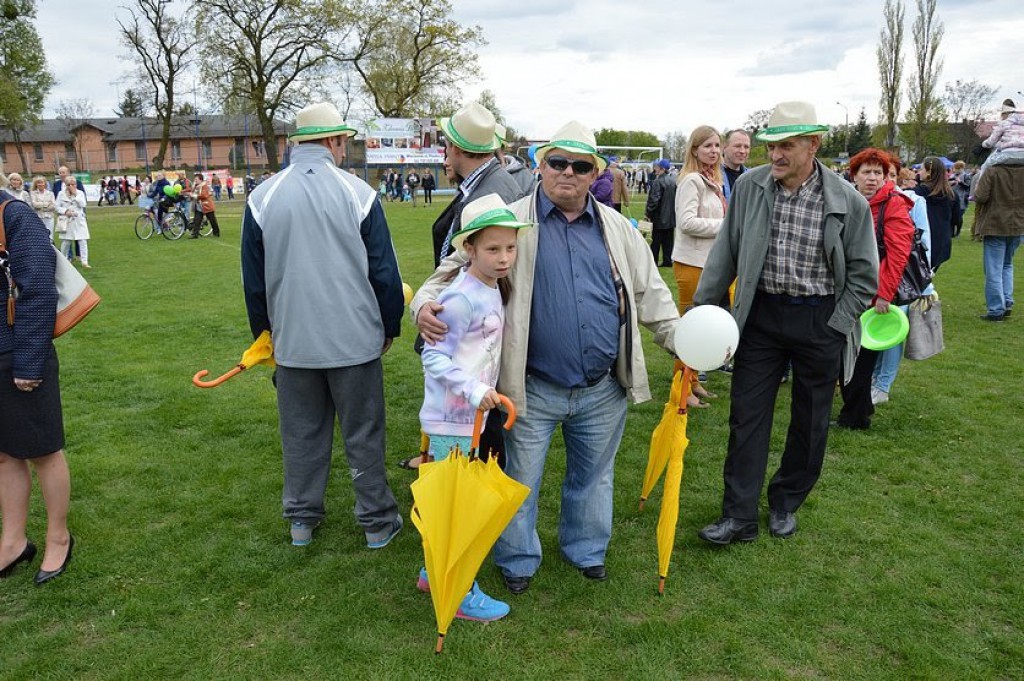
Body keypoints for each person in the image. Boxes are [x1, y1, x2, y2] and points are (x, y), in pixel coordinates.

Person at [412, 120, 680, 593]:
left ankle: (586, 550)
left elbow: (653, 295)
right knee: (520, 479)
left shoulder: (617, 227)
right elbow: (445, 273)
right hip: (530, 384)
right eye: (558, 162)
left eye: (580, 166)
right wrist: (421, 307)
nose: (568, 174)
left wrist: (682, 346)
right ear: (541, 164)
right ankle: (517, 559)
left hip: (602, 386)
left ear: (594, 172)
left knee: (594, 477)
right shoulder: (509, 219)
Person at [693, 101, 877, 544]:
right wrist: (701, 313)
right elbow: (725, 256)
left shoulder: (848, 201)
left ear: (813, 145)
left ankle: (785, 501)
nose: (775, 155)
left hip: (820, 320)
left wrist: (837, 324)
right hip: (761, 316)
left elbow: (863, 274)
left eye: (787, 146)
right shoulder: (752, 187)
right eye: (771, 145)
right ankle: (738, 516)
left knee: (810, 421)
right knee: (746, 416)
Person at [241, 101, 404, 548]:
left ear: (297, 143)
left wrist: (268, 334)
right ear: (333, 141)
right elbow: (385, 273)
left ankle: (301, 522)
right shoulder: (359, 193)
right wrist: (389, 326)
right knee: (364, 434)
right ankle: (375, 523)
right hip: (354, 338)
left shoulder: (263, 196)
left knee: (301, 436)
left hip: (293, 341)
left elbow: (253, 283)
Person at [415, 193, 532, 622]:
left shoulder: (491, 288)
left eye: (510, 247)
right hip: (454, 421)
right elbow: (433, 356)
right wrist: (472, 389)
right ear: (468, 249)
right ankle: (461, 589)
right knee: (460, 509)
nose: (504, 258)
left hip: (474, 419)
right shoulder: (462, 298)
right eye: (493, 249)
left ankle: (433, 572)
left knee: (454, 503)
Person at [404, 101, 524, 471]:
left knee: (479, 457)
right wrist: (425, 301)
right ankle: (443, 455)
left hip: (478, 330)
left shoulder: (495, 190)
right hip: (464, 325)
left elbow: (465, 259)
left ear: (454, 148)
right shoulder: (479, 184)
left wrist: (427, 299)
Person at [0, 164, 75, 586]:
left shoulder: (14, 215)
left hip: (18, 354)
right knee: (4, 454)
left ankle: (58, 537)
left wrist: (28, 363)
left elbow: (39, 290)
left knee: (42, 450)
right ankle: (12, 542)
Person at [835, 149, 914, 430]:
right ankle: (861, 406)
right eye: (866, 172)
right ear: (853, 175)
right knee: (847, 353)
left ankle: (855, 417)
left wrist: (884, 294)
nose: (872, 178)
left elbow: (898, 254)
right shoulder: (847, 200)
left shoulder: (893, 205)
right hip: (845, 288)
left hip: (871, 294)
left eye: (877, 173)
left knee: (858, 356)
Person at [871, 155, 934, 406]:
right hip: (874, 278)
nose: (887, 180)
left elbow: (922, 243)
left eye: (892, 175)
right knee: (874, 331)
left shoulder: (913, 201)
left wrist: (926, 283)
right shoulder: (869, 201)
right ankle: (872, 379)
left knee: (892, 333)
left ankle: (883, 385)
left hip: (902, 279)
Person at [672, 125, 726, 315]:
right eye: (707, 145)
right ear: (695, 150)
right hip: (692, 262)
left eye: (717, 145)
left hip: (711, 261)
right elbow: (686, 222)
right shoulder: (692, 180)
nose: (714, 151)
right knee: (692, 319)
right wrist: (725, 226)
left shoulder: (713, 180)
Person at [972, 161, 1024, 321]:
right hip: (1018, 223)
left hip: (995, 223)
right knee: (1007, 264)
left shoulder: (993, 170)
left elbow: (980, 196)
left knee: (994, 268)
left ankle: (996, 309)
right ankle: (1007, 301)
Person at [913, 156, 956, 271]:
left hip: (925, 239)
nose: (918, 172)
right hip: (942, 240)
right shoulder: (950, 194)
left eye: (921, 169)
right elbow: (956, 218)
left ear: (928, 173)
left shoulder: (918, 193)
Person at [645, 158, 676, 268]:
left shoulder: (658, 182)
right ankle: (668, 261)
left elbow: (654, 200)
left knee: (656, 241)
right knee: (668, 241)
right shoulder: (673, 181)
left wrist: (648, 213)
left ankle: (654, 261)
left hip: (659, 217)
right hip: (671, 217)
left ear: (662, 169)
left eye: (657, 167)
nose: (655, 169)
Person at [55, 180, 90, 268]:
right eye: (68, 184)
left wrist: (75, 195)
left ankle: (84, 261)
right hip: (67, 220)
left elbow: (83, 204)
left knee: (82, 241)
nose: (71, 186)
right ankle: (64, 260)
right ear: (65, 185)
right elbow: (57, 207)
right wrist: (65, 211)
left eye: (73, 184)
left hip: (79, 219)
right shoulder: (61, 194)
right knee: (66, 242)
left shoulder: (80, 193)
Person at [721, 129, 751, 202]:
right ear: (724, 148)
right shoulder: (711, 177)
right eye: (737, 146)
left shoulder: (752, 177)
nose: (742, 151)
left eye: (746, 147)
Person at [188, 173, 221, 238]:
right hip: (199, 207)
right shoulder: (195, 186)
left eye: (196, 179)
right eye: (194, 179)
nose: (195, 181)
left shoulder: (204, 186)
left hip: (207, 206)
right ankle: (195, 234)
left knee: (212, 220)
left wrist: (194, 196)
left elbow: (204, 195)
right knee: (197, 221)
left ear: (201, 180)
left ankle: (216, 233)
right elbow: (192, 193)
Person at [29, 176, 57, 241]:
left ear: (45, 183)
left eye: (42, 182)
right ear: (36, 184)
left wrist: (41, 207)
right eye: (38, 183)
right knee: (39, 235)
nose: (40, 184)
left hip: (49, 217)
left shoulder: (50, 193)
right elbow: (34, 205)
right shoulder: (33, 193)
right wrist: (46, 204)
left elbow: (53, 206)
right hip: (38, 217)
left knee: (50, 236)